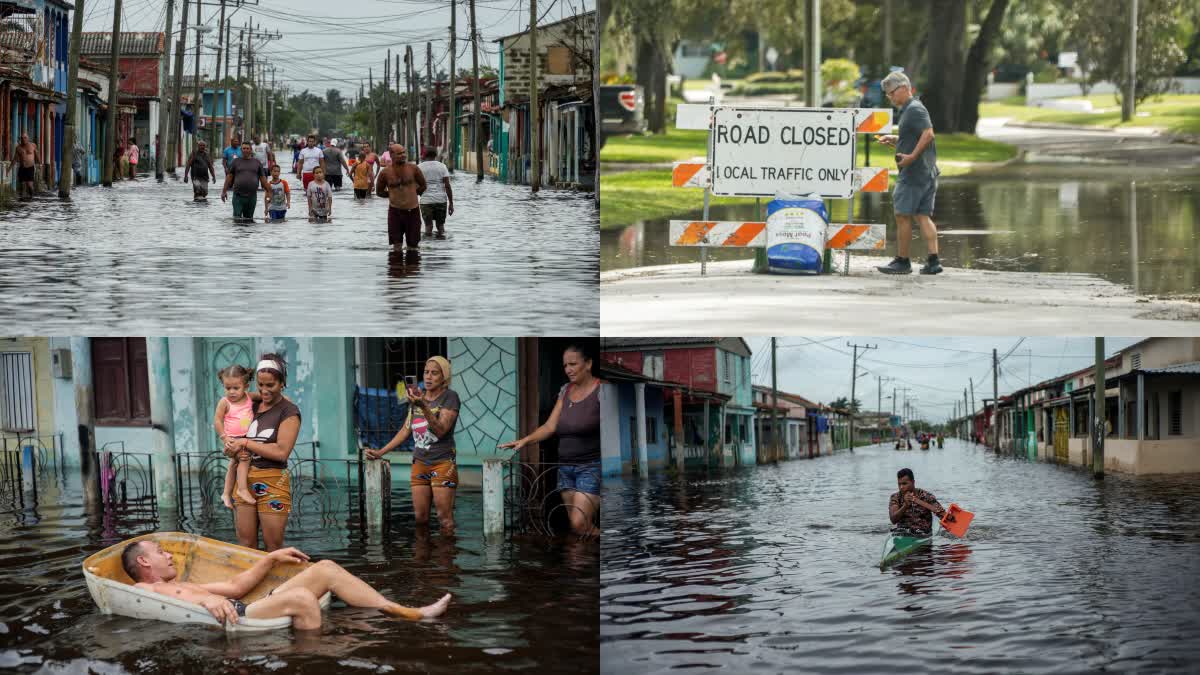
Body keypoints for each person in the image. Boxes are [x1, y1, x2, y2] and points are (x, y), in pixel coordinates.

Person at [120, 539, 451, 628]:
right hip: (242, 618)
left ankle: (405, 611)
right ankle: (311, 658)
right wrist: (205, 602)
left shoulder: (187, 583)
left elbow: (236, 587)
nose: (170, 557)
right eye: (162, 553)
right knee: (306, 599)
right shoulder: (143, 589)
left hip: (245, 606)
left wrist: (272, 557)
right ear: (145, 563)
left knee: (327, 569)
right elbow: (145, 598)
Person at [500, 342, 601, 536]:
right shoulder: (566, 391)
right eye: (565, 365)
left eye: (573, 364)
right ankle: (582, 562)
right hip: (565, 468)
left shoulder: (601, 391)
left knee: (579, 523)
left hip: (591, 467)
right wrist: (524, 441)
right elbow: (549, 426)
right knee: (576, 527)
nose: (568, 370)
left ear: (588, 364)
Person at [365, 356, 460, 531]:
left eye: (434, 373)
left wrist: (422, 405)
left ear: (444, 377)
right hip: (420, 464)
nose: (429, 377)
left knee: (444, 519)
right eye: (426, 372)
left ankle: (446, 557)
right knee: (420, 518)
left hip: (442, 463)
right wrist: (381, 452)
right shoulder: (418, 397)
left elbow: (441, 430)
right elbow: (405, 430)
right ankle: (423, 558)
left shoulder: (450, 397)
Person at [222, 354, 300, 551]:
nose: (264, 390)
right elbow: (233, 426)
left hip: (273, 481)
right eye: (260, 385)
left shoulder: (289, 411)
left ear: (282, 382)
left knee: (273, 546)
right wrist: (231, 447)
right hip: (244, 481)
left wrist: (245, 442)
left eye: (271, 385)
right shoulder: (250, 405)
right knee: (246, 545)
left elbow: (281, 452)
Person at [875, 71, 942, 275]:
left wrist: (911, 157)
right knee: (922, 216)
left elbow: (928, 134)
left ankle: (902, 261)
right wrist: (895, 140)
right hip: (927, 172)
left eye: (892, 92)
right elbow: (916, 136)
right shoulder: (911, 110)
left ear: (904, 88)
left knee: (902, 215)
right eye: (887, 94)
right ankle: (933, 261)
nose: (890, 97)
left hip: (914, 173)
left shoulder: (914, 109)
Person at [214, 365, 257, 508]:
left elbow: (264, 397)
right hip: (232, 438)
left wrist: (283, 399)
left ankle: (226, 493)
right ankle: (242, 489)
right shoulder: (224, 402)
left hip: (246, 437)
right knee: (244, 459)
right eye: (227, 388)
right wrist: (224, 438)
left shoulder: (249, 397)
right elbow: (218, 420)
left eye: (236, 388)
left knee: (233, 465)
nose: (231, 392)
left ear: (246, 386)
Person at [375, 143, 426, 250]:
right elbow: (379, 192)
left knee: (413, 246)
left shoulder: (413, 168)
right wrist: (393, 194)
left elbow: (423, 185)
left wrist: (413, 193)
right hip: (395, 212)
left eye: (404, 152)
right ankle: (396, 266)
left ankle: (412, 265)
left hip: (413, 211)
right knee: (396, 246)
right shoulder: (385, 173)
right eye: (399, 153)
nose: (403, 155)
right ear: (391, 155)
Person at [889, 468, 950, 536]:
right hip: (903, 534)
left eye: (904, 484)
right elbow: (893, 520)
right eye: (899, 484)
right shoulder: (895, 497)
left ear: (913, 482)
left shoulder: (927, 496)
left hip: (923, 534)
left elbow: (942, 515)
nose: (901, 487)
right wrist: (905, 506)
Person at [221, 141, 272, 220]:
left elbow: (263, 180)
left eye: (247, 148)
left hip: (252, 197)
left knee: (249, 220)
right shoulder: (236, 162)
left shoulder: (257, 163)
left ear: (251, 150)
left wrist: (269, 191)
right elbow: (229, 177)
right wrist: (224, 191)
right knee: (237, 218)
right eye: (244, 148)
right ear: (241, 150)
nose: (245, 150)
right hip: (238, 196)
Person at [417, 147, 453, 237]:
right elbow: (447, 186)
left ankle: (429, 247)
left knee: (428, 227)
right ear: (436, 155)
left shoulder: (419, 167)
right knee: (440, 227)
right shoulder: (442, 166)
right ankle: (440, 248)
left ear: (424, 155)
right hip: (441, 200)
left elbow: (416, 186)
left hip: (426, 201)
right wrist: (451, 203)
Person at [10, 133, 40, 199]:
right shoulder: (18, 148)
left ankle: (31, 196)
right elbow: (15, 158)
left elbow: (37, 155)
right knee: (22, 184)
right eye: (22, 138)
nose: (24, 139)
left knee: (29, 184)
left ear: (28, 138)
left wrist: (39, 164)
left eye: (25, 138)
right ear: (20, 139)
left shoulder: (33, 145)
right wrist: (9, 169)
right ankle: (22, 198)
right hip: (22, 168)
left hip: (30, 167)